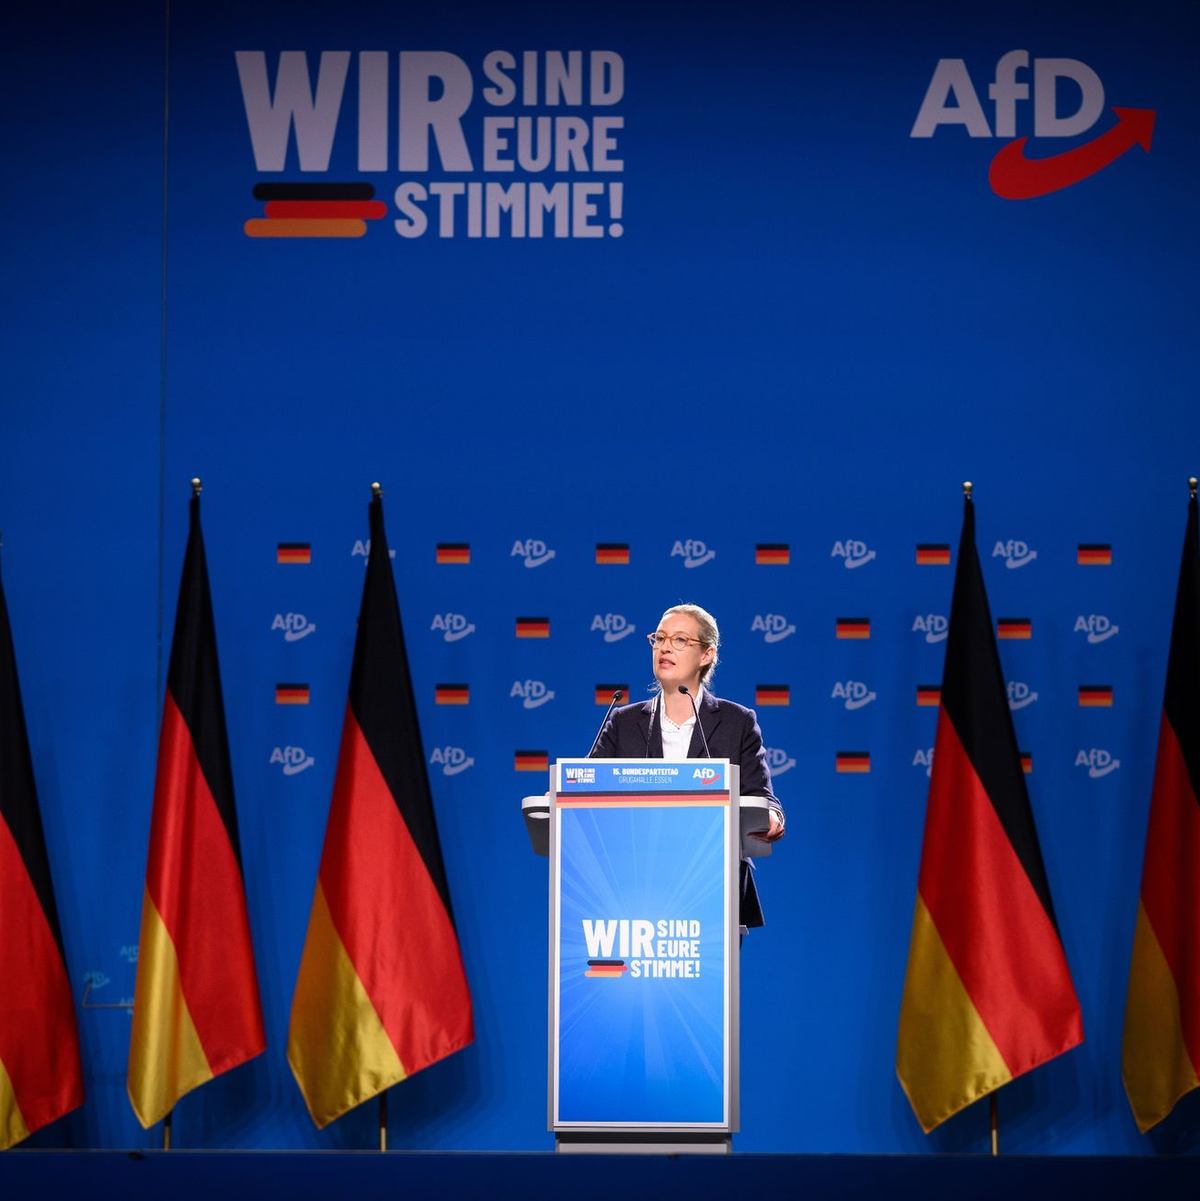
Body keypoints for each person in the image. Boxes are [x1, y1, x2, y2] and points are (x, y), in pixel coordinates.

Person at [590, 603, 784, 928]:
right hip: (634, 890)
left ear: (706, 655)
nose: (665, 647)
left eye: (680, 640)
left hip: (715, 887)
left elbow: (761, 796)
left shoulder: (737, 722)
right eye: (660, 638)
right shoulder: (622, 722)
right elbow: (587, 791)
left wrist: (772, 816)